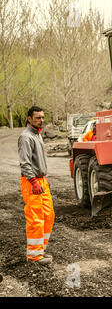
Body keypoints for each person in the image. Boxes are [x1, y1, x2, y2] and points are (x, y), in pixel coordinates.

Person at [18, 106, 55, 265]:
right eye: (38, 118)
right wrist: (33, 182)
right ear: (29, 119)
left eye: (42, 117)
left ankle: (40, 250)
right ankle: (34, 256)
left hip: (41, 181)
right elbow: (25, 163)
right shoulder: (26, 137)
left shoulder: (37, 134)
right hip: (31, 181)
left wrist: (43, 179)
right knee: (35, 218)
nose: (41, 120)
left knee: (48, 215)